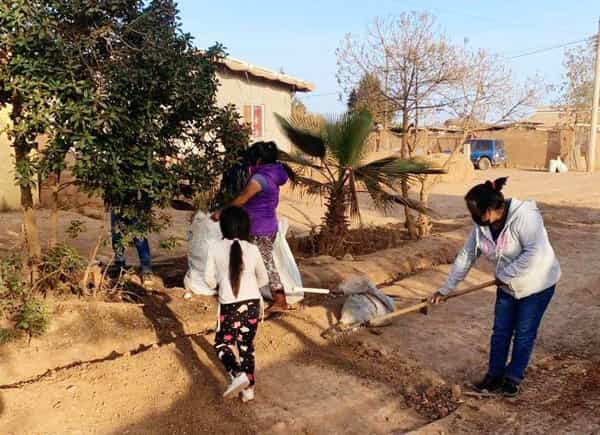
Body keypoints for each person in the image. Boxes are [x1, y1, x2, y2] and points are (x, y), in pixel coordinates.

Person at [430, 177, 561, 397]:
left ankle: (513, 379)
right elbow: (467, 255)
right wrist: (446, 288)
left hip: (537, 283)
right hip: (507, 285)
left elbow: (534, 254)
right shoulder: (482, 226)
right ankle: (494, 375)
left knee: (524, 333)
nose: (474, 218)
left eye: (476, 213)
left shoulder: (525, 217)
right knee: (500, 332)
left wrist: (505, 275)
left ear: (491, 208)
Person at [212, 141, 292, 314]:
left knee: (267, 264)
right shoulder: (275, 172)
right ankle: (245, 292)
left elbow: (242, 199)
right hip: (268, 224)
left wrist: (221, 212)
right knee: (254, 260)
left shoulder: (259, 178)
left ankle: (280, 300)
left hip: (259, 228)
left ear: (258, 160)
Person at [205, 206, 268, 402]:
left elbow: (209, 280)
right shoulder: (253, 249)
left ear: (222, 227)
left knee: (222, 343)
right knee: (246, 346)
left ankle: (236, 373)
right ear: (245, 227)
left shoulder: (214, 247)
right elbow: (264, 279)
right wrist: (250, 289)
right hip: (253, 304)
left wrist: (219, 285)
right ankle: (248, 391)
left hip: (229, 305)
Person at [110, 210, 153, 286]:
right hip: (116, 204)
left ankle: (146, 271)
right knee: (117, 236)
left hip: (136, 205)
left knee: (140, 238)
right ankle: (120, 268)